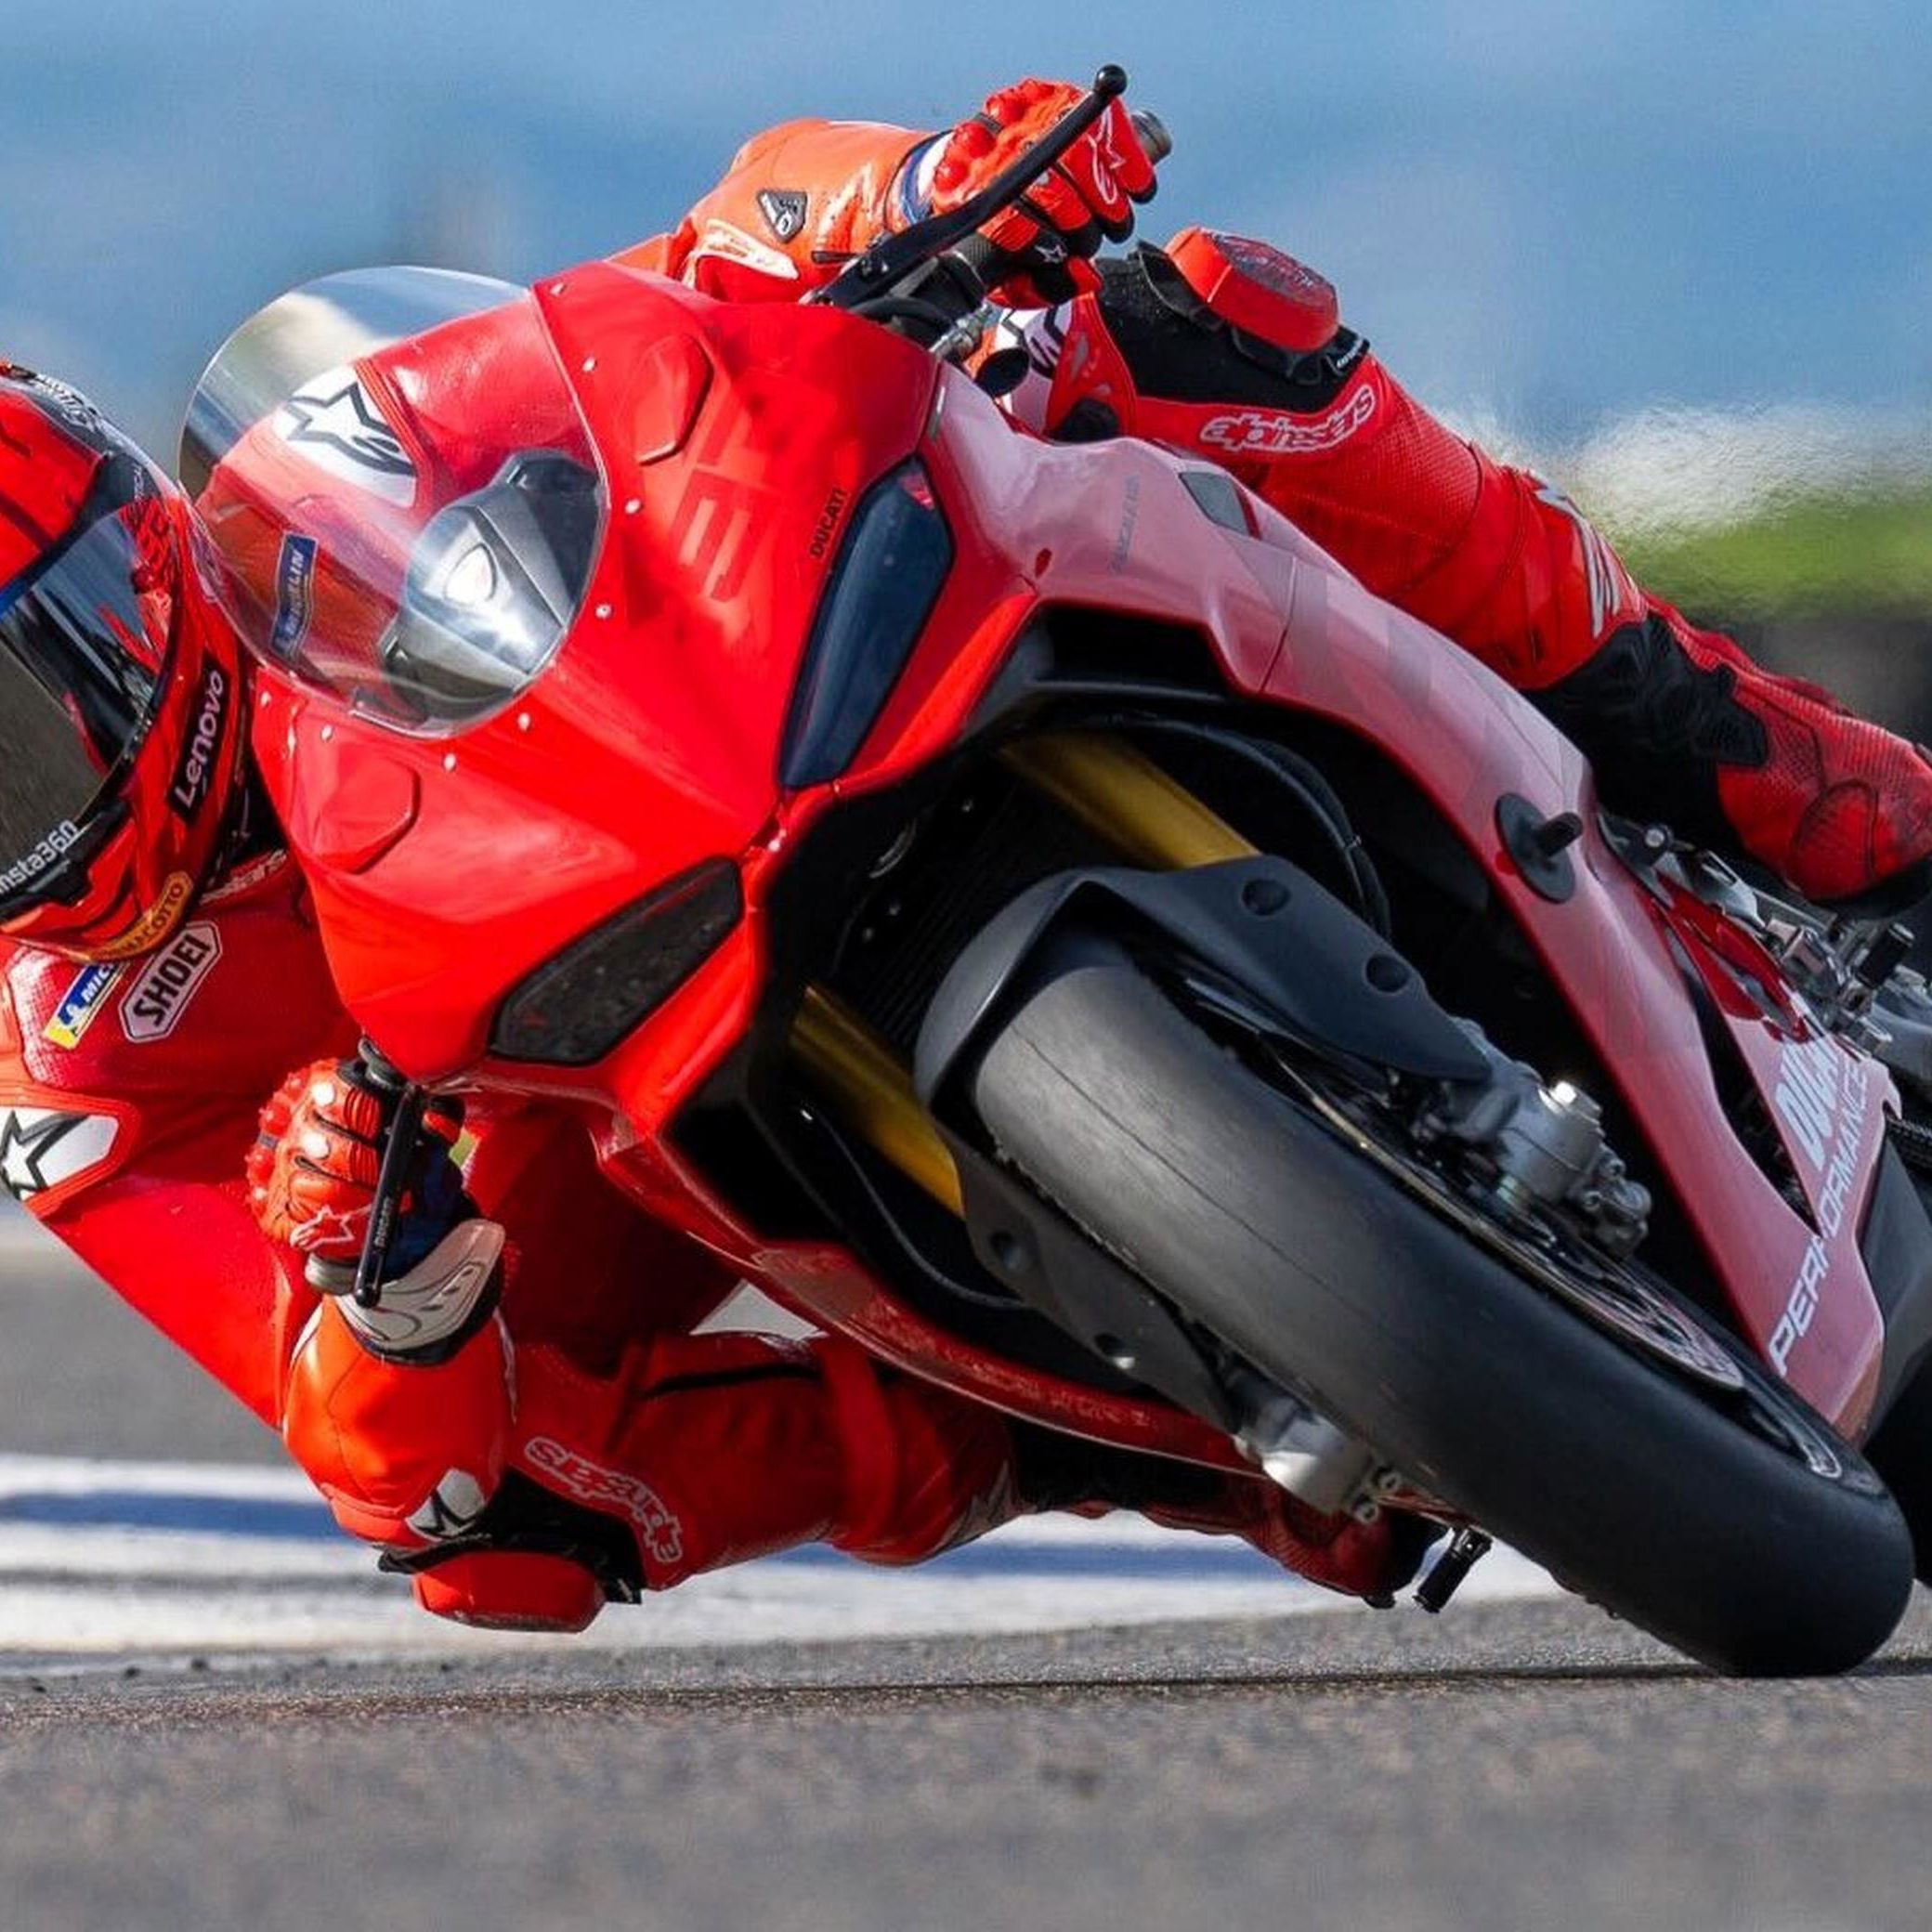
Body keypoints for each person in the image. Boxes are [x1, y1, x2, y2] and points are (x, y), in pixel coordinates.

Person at [1, 75, 1924, 1631]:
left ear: (127, 544)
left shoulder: (334, 492)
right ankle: (1183, 1441)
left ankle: (1789, 778)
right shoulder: (80, 1065)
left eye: (32, 686)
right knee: (472, 1520)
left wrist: (907, 189)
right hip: (533, 1085)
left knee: (1178, 314)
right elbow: (359, 1433)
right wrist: (390, 1285)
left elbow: (668, 281)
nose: (46, 774)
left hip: (703, 736)